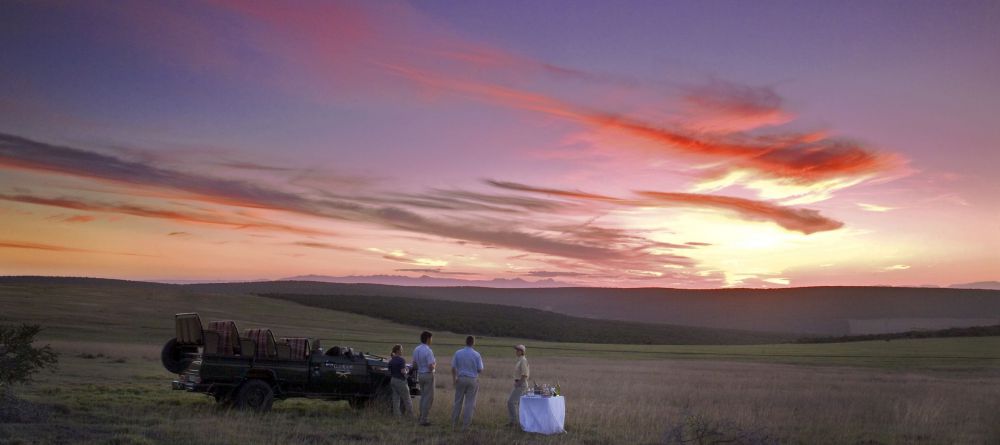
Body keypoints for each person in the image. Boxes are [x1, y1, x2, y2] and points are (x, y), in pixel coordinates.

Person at [451, 335, 484, 430]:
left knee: (457, 402)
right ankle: (465, 426)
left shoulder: (458, 353)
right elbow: (480, 369)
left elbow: (453, 367)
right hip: (472, 379)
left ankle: (454, 424)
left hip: (460, 378)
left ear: (465, 342)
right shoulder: (477, 354)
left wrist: (454, 379)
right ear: (473, 343)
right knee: (470, 403)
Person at [411, 331, 436, 426]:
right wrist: (435, 364)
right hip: (428, 374)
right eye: (431, 338)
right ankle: (424, 419)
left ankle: (421, 416)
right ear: (428, 339)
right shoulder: (428, 351)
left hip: (420, 374)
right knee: (428, 398)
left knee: (423, 397)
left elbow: (414, 364)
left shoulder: (416, 349)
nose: (432, 340)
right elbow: (431, 366)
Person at [387, 344, 413, 418]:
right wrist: (407, 371)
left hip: (393, 380)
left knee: (396, 399)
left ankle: (397, 416)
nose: (402, 351)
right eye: (401, 349)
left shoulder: (391, 361)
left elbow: (389, 372)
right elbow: (403, 371)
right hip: (400, 381)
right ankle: (410, 416)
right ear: (398, 351)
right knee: (407, 398)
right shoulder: (401, 360)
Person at [507, 344, 529, 426]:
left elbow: (525, 374)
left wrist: (518, 383)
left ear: (522, 352)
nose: (516, 351)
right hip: (519, 383)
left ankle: (514, 422)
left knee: (511, 402)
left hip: (521, 384)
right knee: (519, 404)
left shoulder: (523, 360)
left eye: (518, 350)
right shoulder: (520, 360)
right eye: (516, 350)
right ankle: (519, 422)